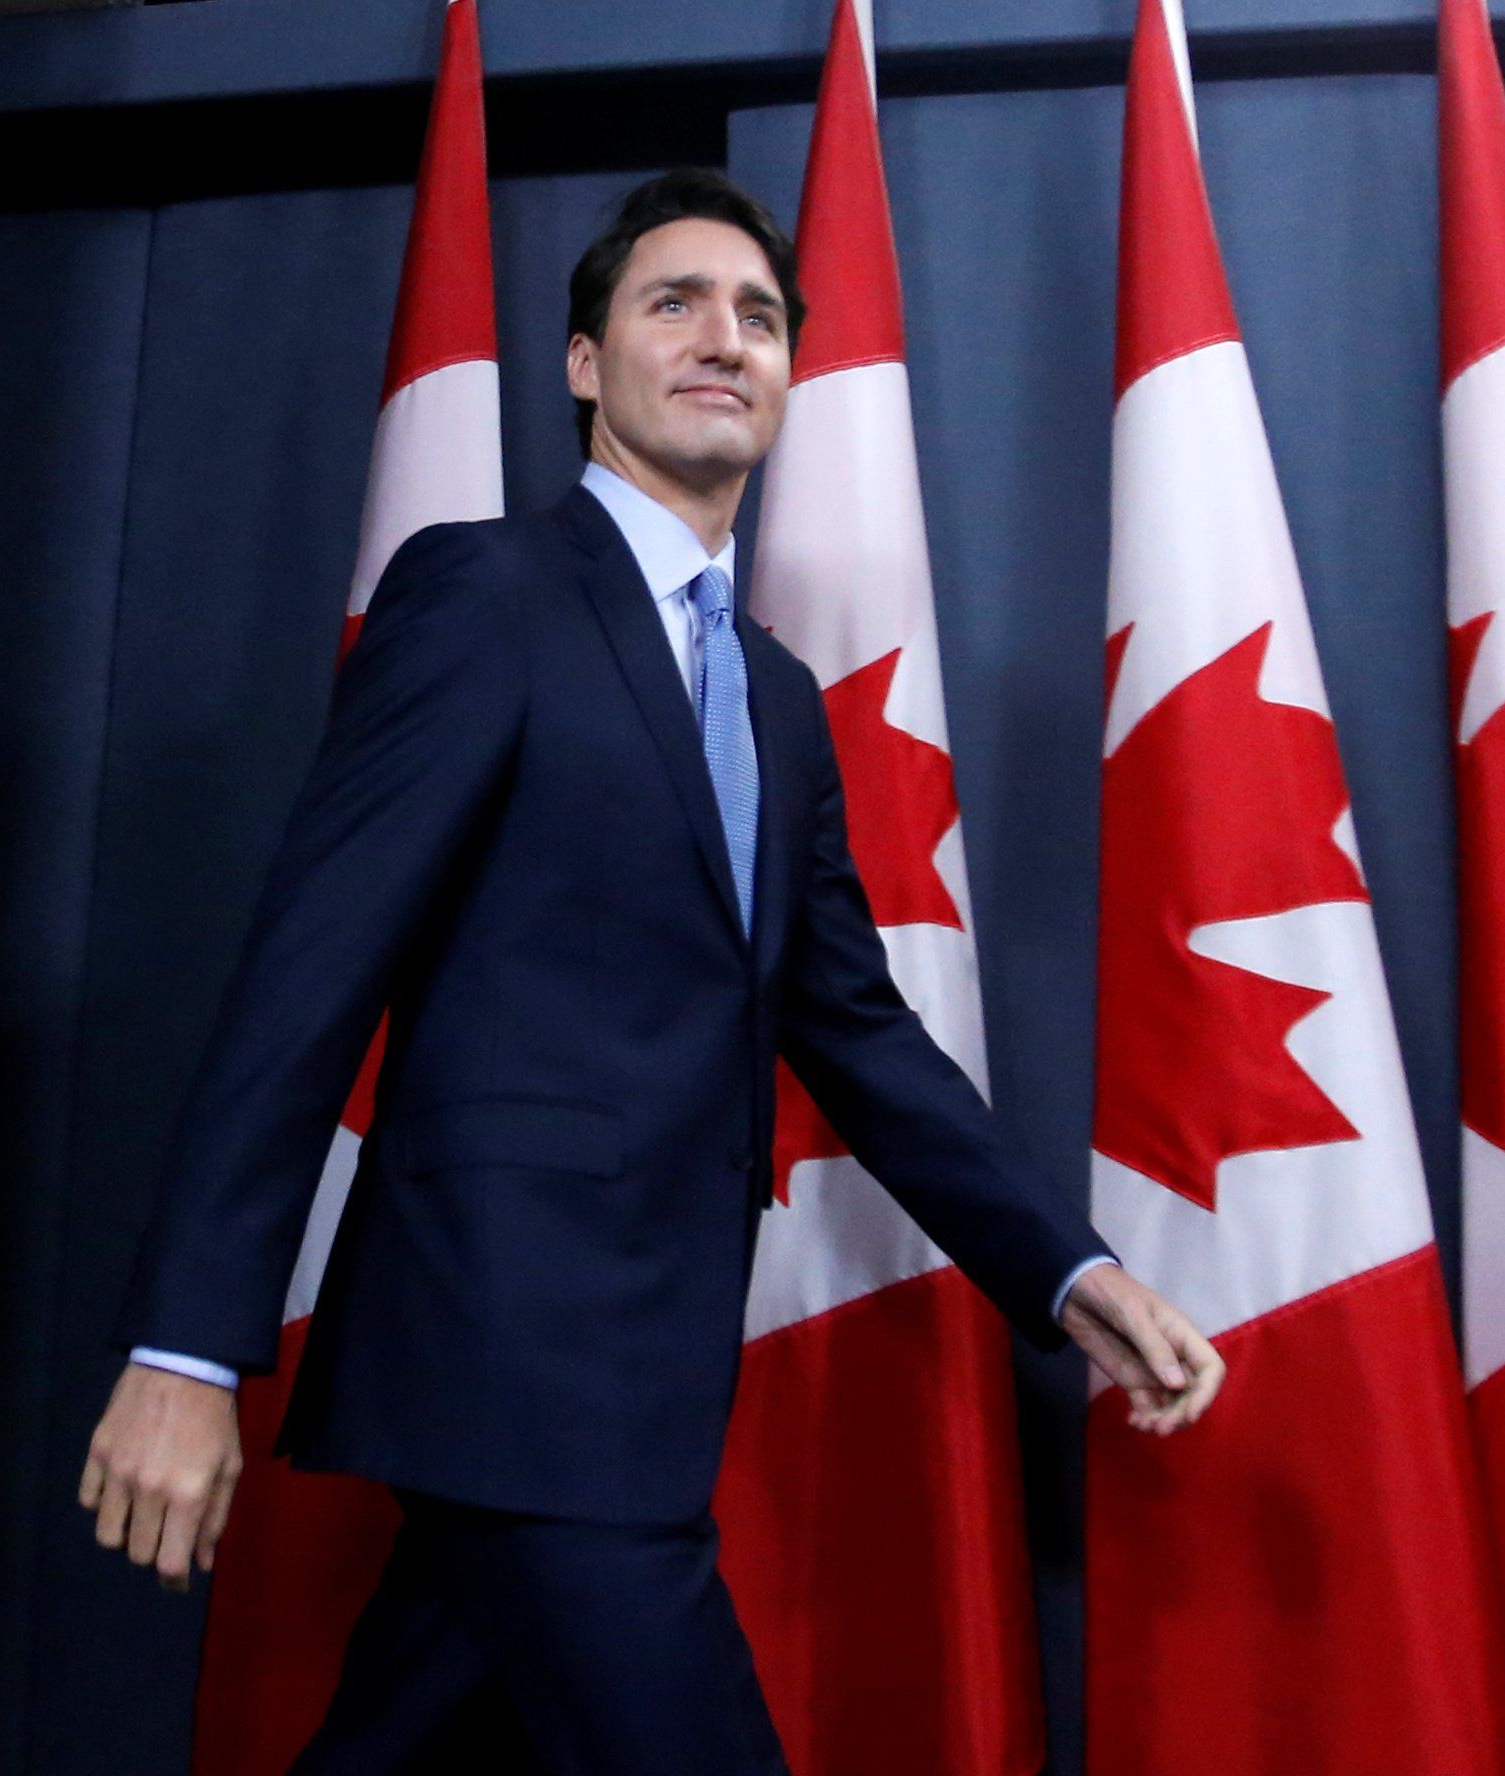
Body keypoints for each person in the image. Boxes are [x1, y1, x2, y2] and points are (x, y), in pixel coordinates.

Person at [77, 168, 1224, 1774]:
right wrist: (187, 1347)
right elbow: (306, 970)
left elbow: (855, 1031)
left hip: (648, 1369)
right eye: (673, 301)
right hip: (505, 1352)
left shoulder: (777, 698)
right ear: (582, 362)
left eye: (756, 316)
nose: (722, 338)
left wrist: (1066, 1272)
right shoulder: (483, 593)